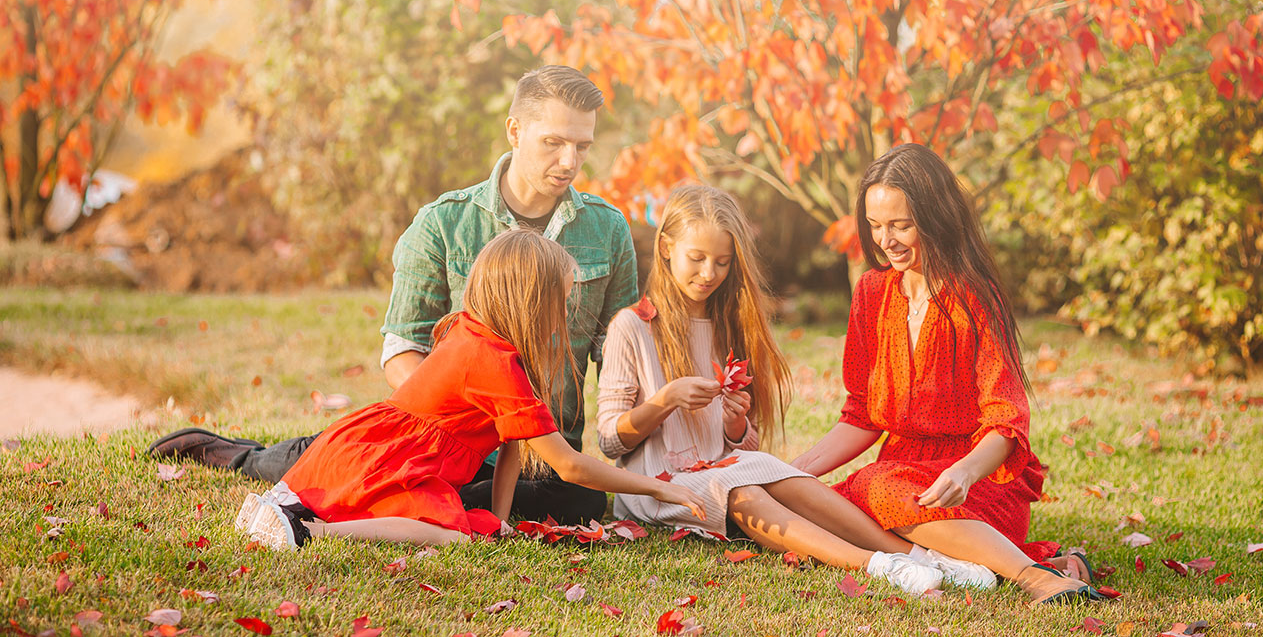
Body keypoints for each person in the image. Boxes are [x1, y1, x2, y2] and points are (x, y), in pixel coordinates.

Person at [149, 66, 638, 524]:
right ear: (514, 131)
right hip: (452, 440)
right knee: (377, 471)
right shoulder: (443, 223)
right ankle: (244, 457)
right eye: (553, 142)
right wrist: (457, 427)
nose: (569, 161)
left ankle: (426, 491)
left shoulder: (607, 229)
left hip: (546, 450)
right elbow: (403, 347)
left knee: (583, 501)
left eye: (582, 146)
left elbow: (617, 355)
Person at [595, 185, 986, 594]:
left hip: (722, 472)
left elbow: (743, 450)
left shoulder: (730, 325)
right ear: (665, 249)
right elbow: (609, 441)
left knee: (781, 475)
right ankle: (879, 565)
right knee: (745, 488)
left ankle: (921, 556)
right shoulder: (632, 327)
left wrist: (735, 426)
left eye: (723, 262)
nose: (709, 273)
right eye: (696, 259)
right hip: (659, 485)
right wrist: (664, 400)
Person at [236, 230, 704, 549]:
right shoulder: (492, 361)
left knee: (477, 524)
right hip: (392, 460)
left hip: (373, 447)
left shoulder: (474, 334)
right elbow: (569, 464)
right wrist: (660, 490)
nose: (563, 316)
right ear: (531, 303)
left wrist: (501, 520)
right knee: (452, 535)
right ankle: (309, 532)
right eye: (559, 303)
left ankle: (288, 514)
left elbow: (512, 447)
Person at [790, 144, 1104, 605]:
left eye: (901, 225)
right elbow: (861, 414)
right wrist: (793, 473)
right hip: (900, 472)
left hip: (977, 482)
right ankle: (956, 566)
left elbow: (1007, 424)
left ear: (935, 218)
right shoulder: (872, 293)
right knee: (816, 506)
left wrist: (964, 472)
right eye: (875, 226)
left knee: (872, 489)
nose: (886, 240)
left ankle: (1035, 577)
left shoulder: (973, 296)